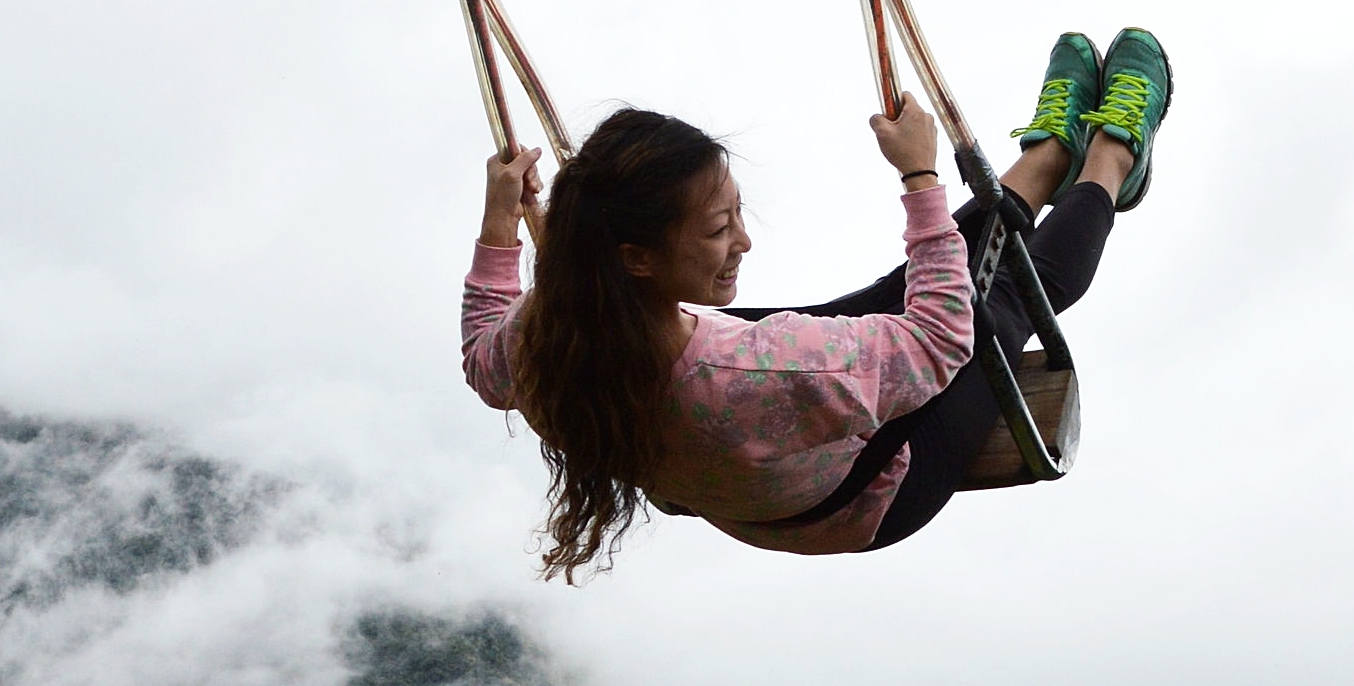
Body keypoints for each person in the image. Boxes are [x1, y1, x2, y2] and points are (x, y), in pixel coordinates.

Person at [461, 29, 1171, 577]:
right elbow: (942, 339)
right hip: (868, 496)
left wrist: (500, 222)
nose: (743, 241)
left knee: (897, 292)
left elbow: (480, 360)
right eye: (718, 229)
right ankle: (1111, 157)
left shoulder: (549, 332)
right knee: (1002, 300)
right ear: (635, 258)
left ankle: (1046, 159)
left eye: (737, 214)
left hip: (747, 472)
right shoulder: (765, 369)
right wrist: (921, 176)